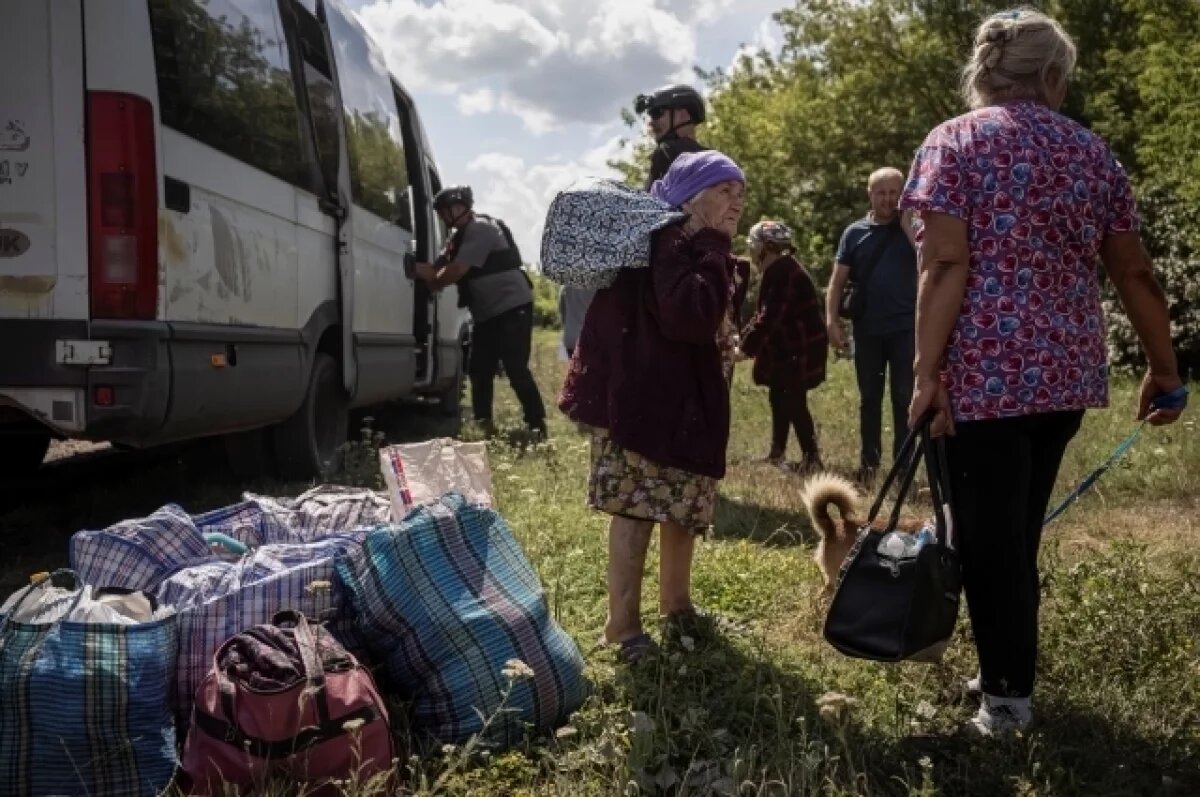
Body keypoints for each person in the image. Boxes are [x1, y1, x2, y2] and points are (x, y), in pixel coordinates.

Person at [901, 8, 1186, 737]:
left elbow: (944, 263)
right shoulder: (1092, 153)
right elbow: (1135, 273)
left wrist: (925, 372)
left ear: (985, 72)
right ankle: (1002, 664)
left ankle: (1007, 701)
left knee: (992, 536)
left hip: (982, 377)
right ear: (1053, 76)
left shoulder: (954, 142)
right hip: (1063, 377)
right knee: (1009, 532)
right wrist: (1163, 367)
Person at [559, 151, 746, 662]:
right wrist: (713, 247)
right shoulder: (669, 239)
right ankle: (621, 629)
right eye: (724, 190)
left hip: (680, 399)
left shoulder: (692, 243)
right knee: (637, 509)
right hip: (640, 401)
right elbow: (687, 315)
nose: (736, 201)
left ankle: (677, 605)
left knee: (682, 505)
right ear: (691, 197)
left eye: (740, 192)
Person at [415, 187, 547, 437]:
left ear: (460, 207)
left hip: (511, 306)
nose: (443, 216)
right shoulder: (456, 240)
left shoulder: (480, 228)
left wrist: (433, 284)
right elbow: (435, 270)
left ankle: (537, 425)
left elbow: (454, 272)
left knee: (516, 368)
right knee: (479, 369)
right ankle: (483, 423)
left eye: (446, 210)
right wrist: (412, 268)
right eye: (440, 212)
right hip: (486, 314)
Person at [826, 168, 919, 483]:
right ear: (870, 194)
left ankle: (903, 469)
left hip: (906, 329)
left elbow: (928, 259)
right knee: (870, 399)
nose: (889, 199)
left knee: (905, 398)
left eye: (895, 192)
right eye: (882, 193)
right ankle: (869, 466)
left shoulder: (912, 229)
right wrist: (831, 320)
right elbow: (837, 283)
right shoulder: (854, 233)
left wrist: (907, 223)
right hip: (867, 330)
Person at [738, 221, 828, 472]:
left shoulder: (784, 272)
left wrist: (744, 349)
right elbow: (762, 315)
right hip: (787, 349)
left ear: (766, 248)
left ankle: (812, 460)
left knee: (794, 401)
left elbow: (770, 317)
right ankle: (776, 453)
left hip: (800, 350)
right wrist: (742, 337)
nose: (752, 252)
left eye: (754, 246)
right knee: (778, 396)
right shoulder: (778, 270)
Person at [635, 84, 709, 188]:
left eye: (657, 113)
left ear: (683, 115)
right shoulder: (717, 160)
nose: (651, 123)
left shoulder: (666, 151)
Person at [558, 285, 596, 360]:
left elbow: (562, 312)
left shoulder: (566, 285)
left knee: (576, 369)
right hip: (590, 339)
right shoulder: (599, 281)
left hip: (570, 339)